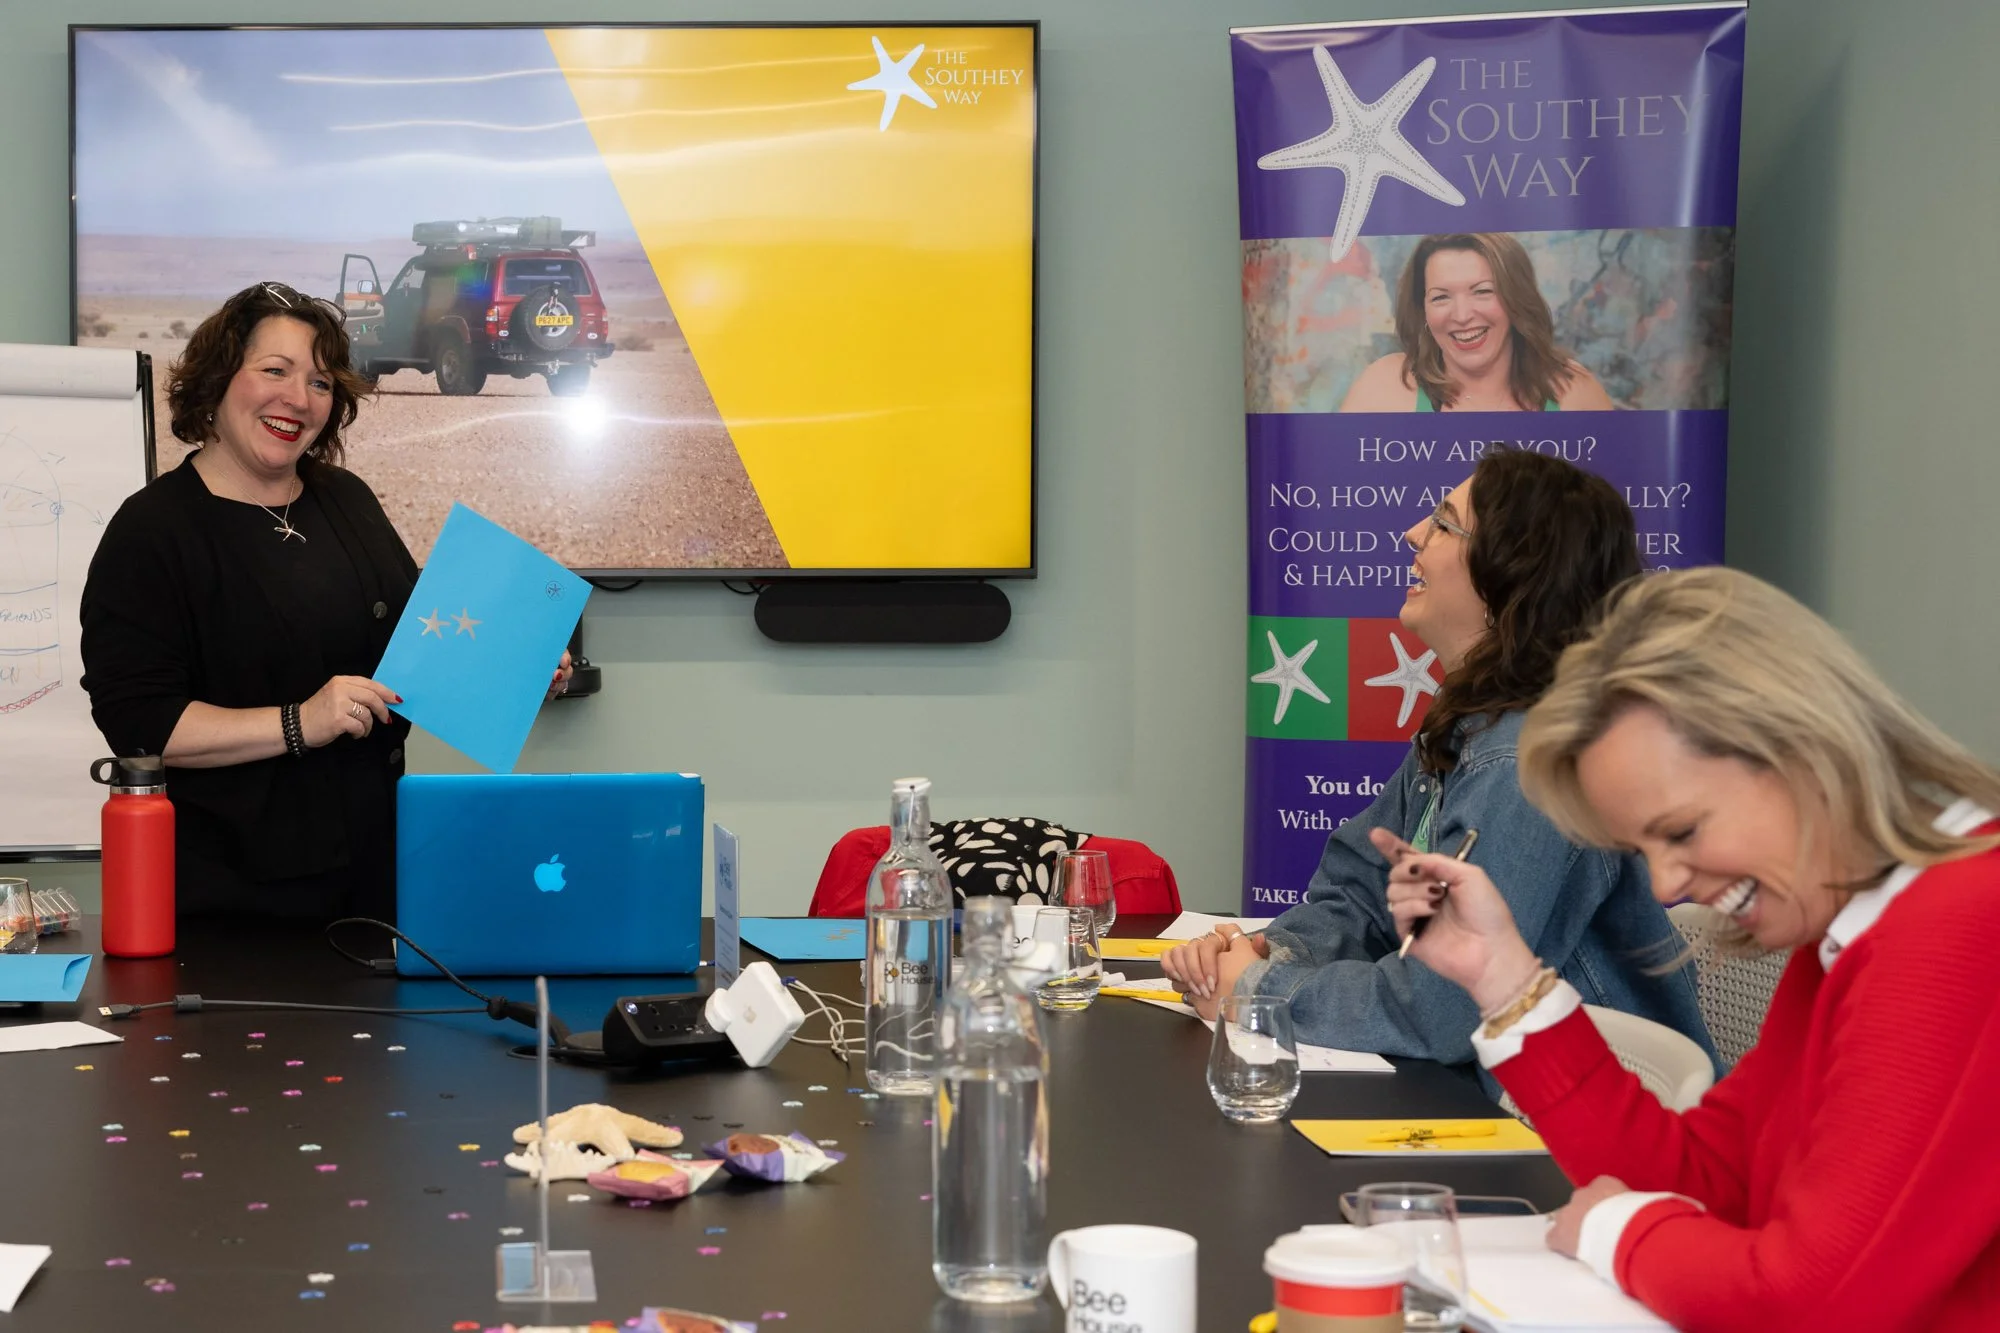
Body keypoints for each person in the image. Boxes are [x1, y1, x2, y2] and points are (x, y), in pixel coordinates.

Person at [1385, 567, 2000, 1330]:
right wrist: (1502, 973)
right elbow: (1709, 1178)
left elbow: (1812, 1300)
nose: (1669, 879)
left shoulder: (1961, 921)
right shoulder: (1852, 928)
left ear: (1803, 747)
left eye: (1681, 831)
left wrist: (1616, 1231)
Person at [1162, 449, 1711, 1072]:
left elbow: (1442, 1010)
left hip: (1595, 1137)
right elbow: (1361, 892)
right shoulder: (1465, 726)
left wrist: (1259, 991)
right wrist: (1271, 951)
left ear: (1511, 575)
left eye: (1445, 524)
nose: (1412, 534)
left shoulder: (1528, 765)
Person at [80, 282, 571, 922]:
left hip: (379, 878)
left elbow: (418, 641)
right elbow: (140, 723)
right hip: (239, 903)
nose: (298, 399)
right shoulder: (152, 531)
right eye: (274, 371)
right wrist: (300, 721)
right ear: (219, 379)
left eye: (318, 382)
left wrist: (518, 665)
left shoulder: (345, 498)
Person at [1339, 233, 1615, 413]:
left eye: (1483, 291)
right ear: (1422, 309)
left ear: (1516, 298)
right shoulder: (1384, 386)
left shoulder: (1574, 390)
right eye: (1440, 297)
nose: (1461, 315)